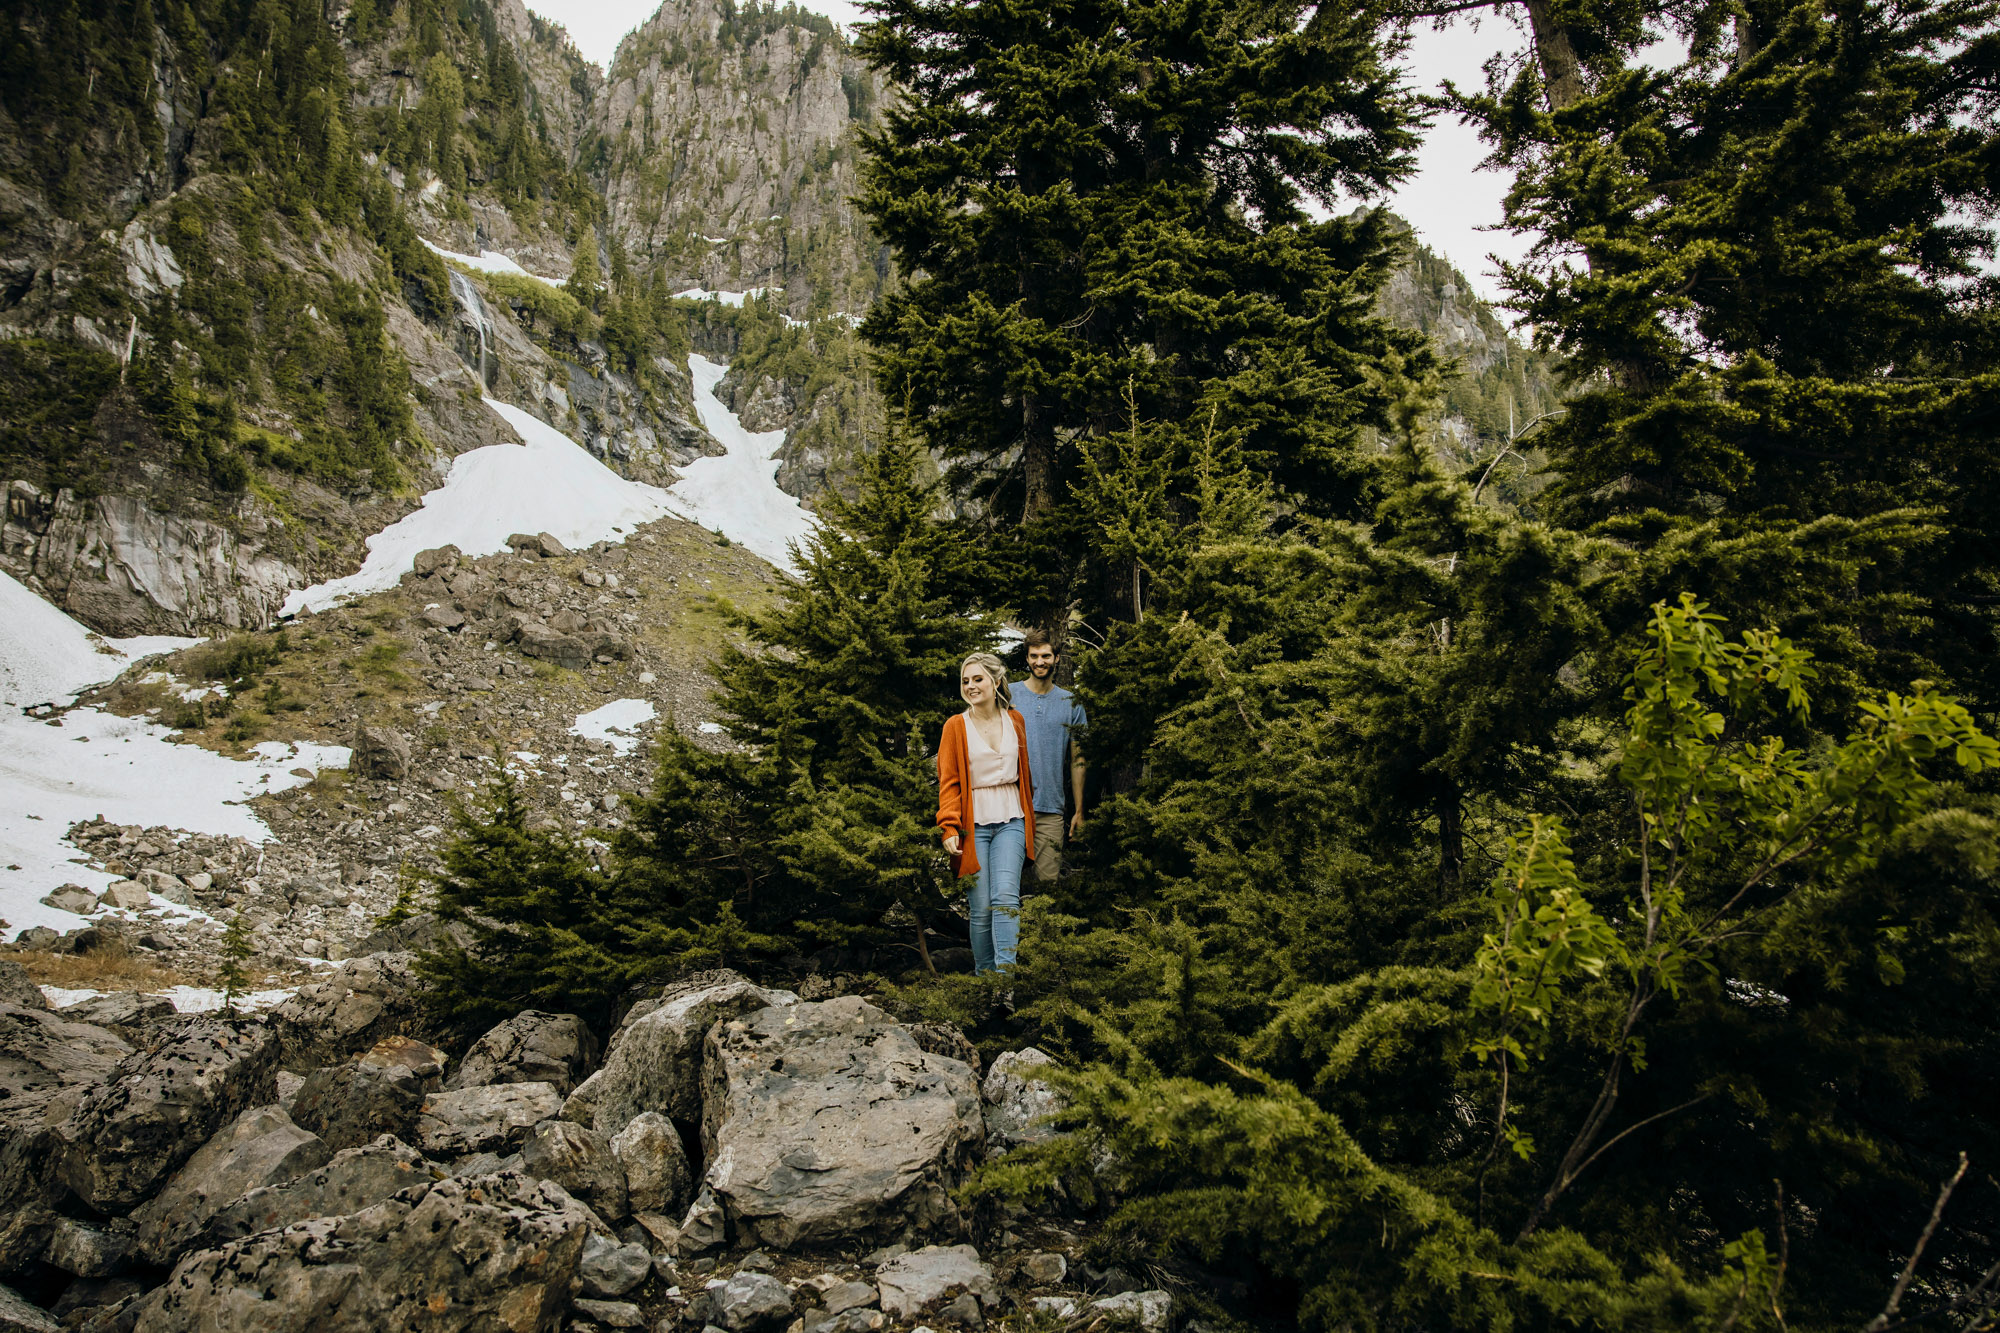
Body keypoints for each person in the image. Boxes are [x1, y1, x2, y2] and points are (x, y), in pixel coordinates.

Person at [936, 651, 1036, 976]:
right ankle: (986, 983)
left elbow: (1025, 776)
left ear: (995, 681)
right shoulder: (955, 726)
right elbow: (948, 781)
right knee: (980, 911)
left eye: (977, 679)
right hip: (972, 825)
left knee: (1006, 898)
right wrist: (949, 827)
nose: (970, 686)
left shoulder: (1015, 720)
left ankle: (1004, 986)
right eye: (965, 681)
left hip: (1012, 819)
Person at [1014, 629, 1086, 883]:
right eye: (1034, 656)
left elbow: (1078, 760)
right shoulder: (1008, 697)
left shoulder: (1072, 702)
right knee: (1006, 888)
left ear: (1056, 658)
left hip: (1050, 811)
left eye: (1046, 656)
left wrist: (1078, 810)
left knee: (1047, 888)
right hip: (1010, 808)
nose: (1039, 662)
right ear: (1027, 658)